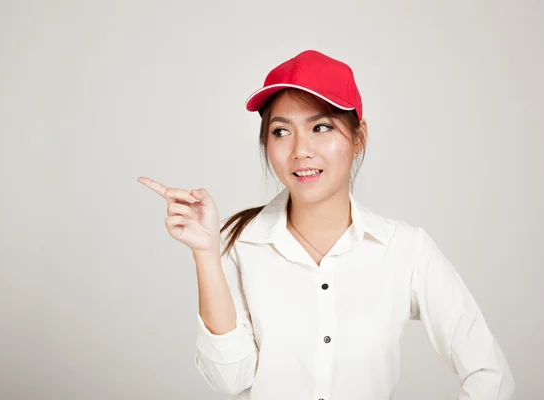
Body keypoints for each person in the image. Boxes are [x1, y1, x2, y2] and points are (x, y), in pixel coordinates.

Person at [138, 49, 515, 400]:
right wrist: (206, 255)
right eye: (281, 131)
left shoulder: (405, 248)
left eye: (321, 128)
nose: (301, 149)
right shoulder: (240, 244)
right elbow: (229, 379)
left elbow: (488, 372)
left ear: (358, 138)